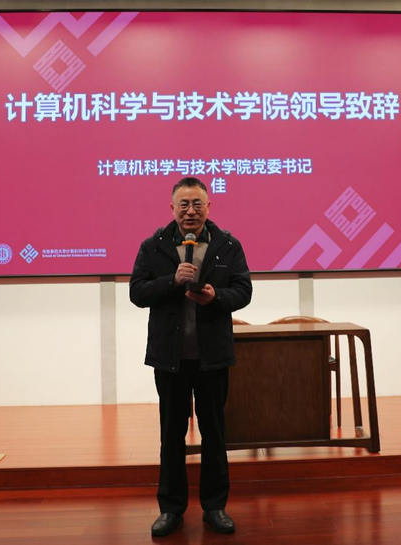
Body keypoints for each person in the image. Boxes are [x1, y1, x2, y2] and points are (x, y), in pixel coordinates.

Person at [130, 177, 253, 537]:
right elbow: (137, 292)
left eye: (197, 203)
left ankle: (215, 507)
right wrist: (171, 281)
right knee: (172, 434)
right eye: (183, 204)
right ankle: (171, 509)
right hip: (170, 359)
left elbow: (243, 290)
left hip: (212, 357)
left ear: (208, 207)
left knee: (214, 433)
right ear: (172, 208)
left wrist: (216, 297)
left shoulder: (227, 245)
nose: (190, 211)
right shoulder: (153, 246)